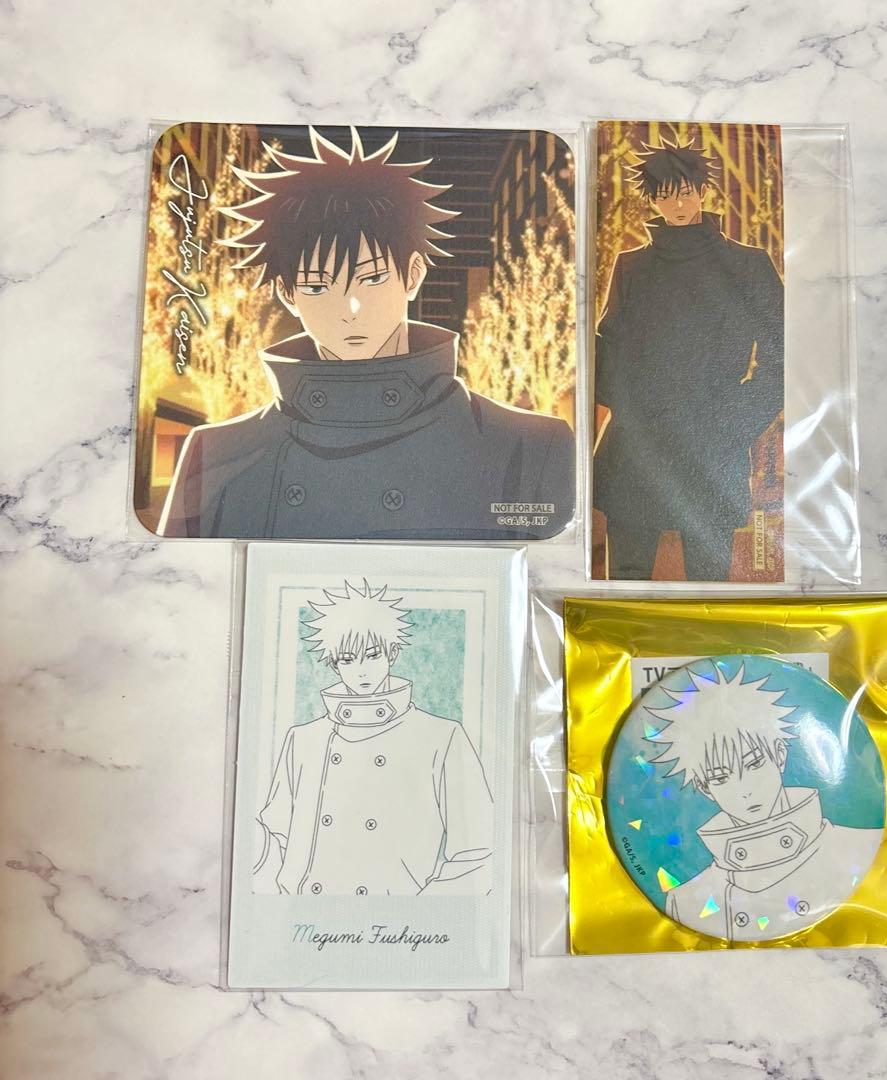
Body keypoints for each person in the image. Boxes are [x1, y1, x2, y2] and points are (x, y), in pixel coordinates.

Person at [159, 126, 573, 539]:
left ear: (413, 275)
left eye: (372, 278)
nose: (350, 308)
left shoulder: (531, 447)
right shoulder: (213, 454)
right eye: (317, 286)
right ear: (287, 294)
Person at [593, 134, 783, 579]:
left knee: (708, 585)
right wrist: (629, 406)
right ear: (651, 200)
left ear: (702, 190)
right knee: (626, 585)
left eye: (684, 191)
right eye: (664, 195)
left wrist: (737, 417)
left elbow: (782, 350)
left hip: (711, 444)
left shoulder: (747, 264)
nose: (677, 204)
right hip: (638, 448)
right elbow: (608, 344)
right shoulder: (631, 266)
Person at [254, 579, 493, 896]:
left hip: (403, 920)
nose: (361, 670)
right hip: (305, 914)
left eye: (372, 655)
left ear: (392, 654)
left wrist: (422, 912)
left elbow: (477, 855)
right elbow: (274, 842)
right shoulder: (302, 739)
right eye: (347, 659)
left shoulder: (443, 737)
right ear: (334, 665)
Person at [645, 663, 882, 941]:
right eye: (720, 778)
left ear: (779, 755)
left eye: (754, 763)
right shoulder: (685, 902)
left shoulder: (859, 847)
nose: (745, 789)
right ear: (705, 788)